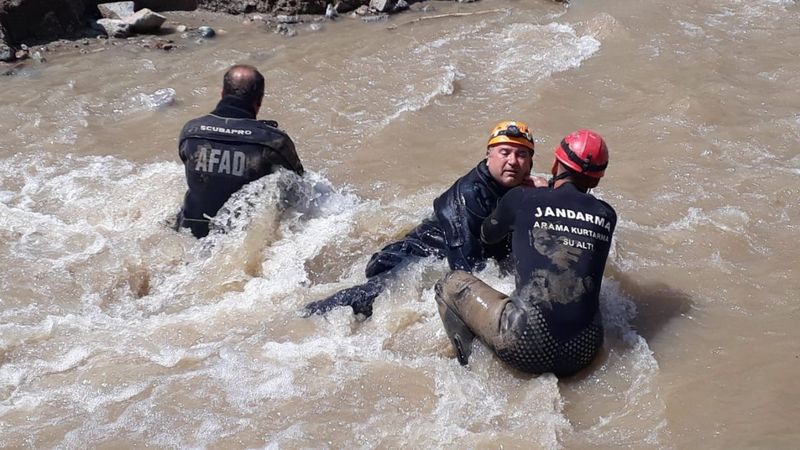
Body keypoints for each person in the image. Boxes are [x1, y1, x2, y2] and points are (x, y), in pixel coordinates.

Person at [303, 121, 545, 317]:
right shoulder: (468, 197)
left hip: (436, 259)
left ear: (530, 164)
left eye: (521, 155)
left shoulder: (521, 189)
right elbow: (467, 274)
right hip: (410, 260)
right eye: (504, 152)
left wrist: (543, 198)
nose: (512, 161)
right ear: (488, 156)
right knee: (375, 297)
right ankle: (309, 314)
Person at [435, 129, 617, 377]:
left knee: (449, 283)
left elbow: (488, 235)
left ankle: (467, 368)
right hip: (585, 351)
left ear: (555, 164)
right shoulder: (607, 214)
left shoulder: (521, 197)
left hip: (525, 343)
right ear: (596, 180)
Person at [175, 64, 304, 238]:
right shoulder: (273, 141)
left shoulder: (191, 132)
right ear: (259, 101)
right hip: (238, 237)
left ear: (222, 93)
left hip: (189, 230)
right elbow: (300, 186)